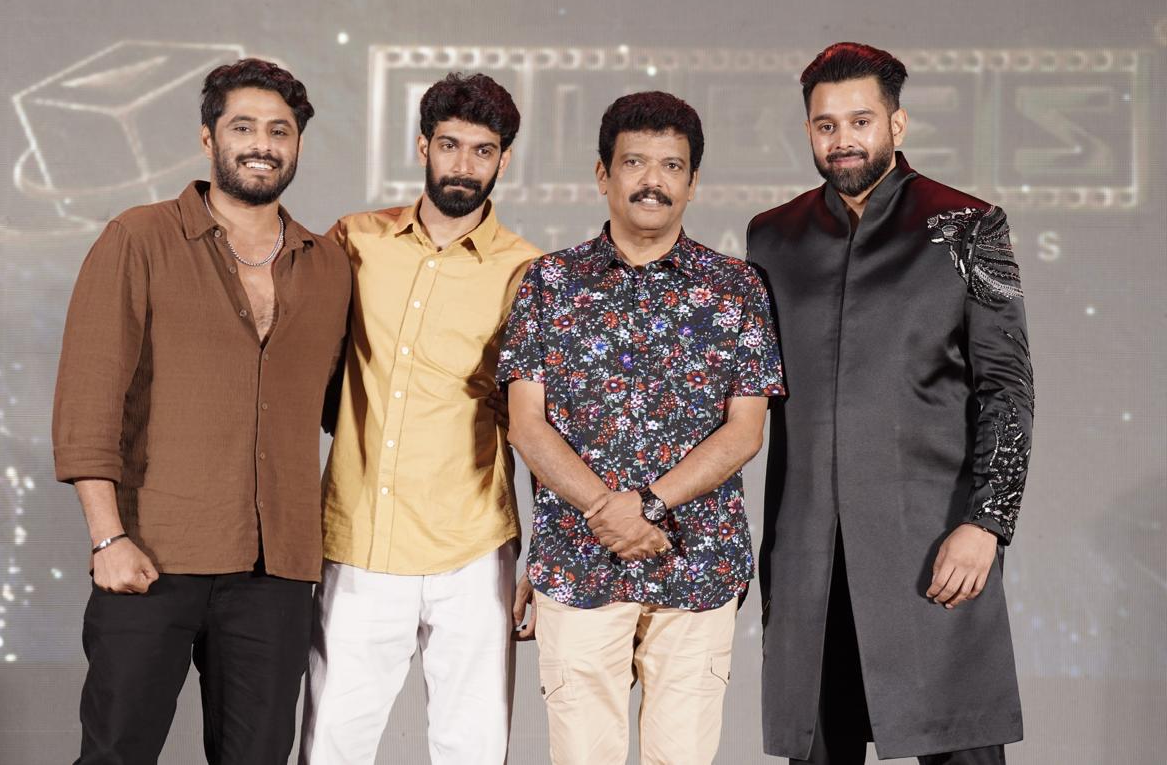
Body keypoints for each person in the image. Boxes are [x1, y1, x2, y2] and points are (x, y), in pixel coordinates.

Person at [52, 58, 350, 765]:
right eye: (243, 127)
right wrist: (107, 539)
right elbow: (88, 398)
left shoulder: (327, 264)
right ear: (208, 138)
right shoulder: (139, 238)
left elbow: (343, 409)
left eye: (280, 130)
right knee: (117, 754)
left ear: (298, 145)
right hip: (151, 554)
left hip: (275, 571)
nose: (262, 144)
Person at [746, 41, 1034, 764]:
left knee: (959, 745)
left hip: (933, 544)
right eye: (826, 125)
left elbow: (1008, 387)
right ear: (809, 131)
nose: (842, 140)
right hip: (811, 553)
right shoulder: (772, 237)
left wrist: (987, 524)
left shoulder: (968, 224)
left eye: (860, 121)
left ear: (897, 124)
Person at [499, 91, 785, 765]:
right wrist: (611, 514)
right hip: (577, 564)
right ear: (603, 174)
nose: (652, 181)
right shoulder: (549, 283)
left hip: (698, 568)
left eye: (671, 166)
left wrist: (648, 506)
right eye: (634, 163)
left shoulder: (737, 288)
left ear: (692, 182)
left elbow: (745, 431)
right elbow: (526, 424)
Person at [299, 72, 540, 765]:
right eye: (450, 145)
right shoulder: (355, 240)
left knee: (474, 751)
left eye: (483, 151)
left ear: (504, 160)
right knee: (330, 748)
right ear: (422, 146)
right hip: (361, 537)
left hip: (473, 546)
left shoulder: (527, 271)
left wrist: (546, 557)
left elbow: (539, 422)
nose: (464, 165)